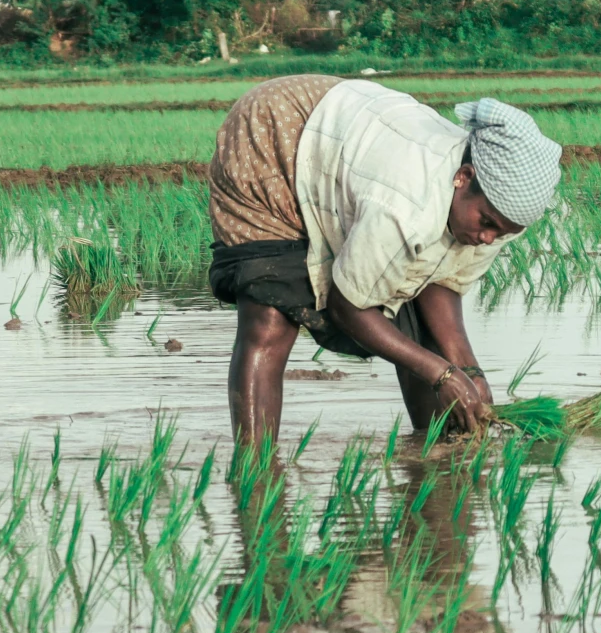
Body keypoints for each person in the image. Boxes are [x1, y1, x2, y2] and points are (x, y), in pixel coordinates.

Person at [206, 76, 562, 451]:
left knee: (422, 335)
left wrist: (468, 370)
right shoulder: (405, 205)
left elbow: (442, 281)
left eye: (503, 233)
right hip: (276, 131)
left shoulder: (497, 215)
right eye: (487, 223)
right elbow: (348, 306)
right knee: (269, 314)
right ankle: (254, 469)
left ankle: (435, 461)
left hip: (350, 145)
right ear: (464, 176)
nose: (489, 238)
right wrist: (442, 374)